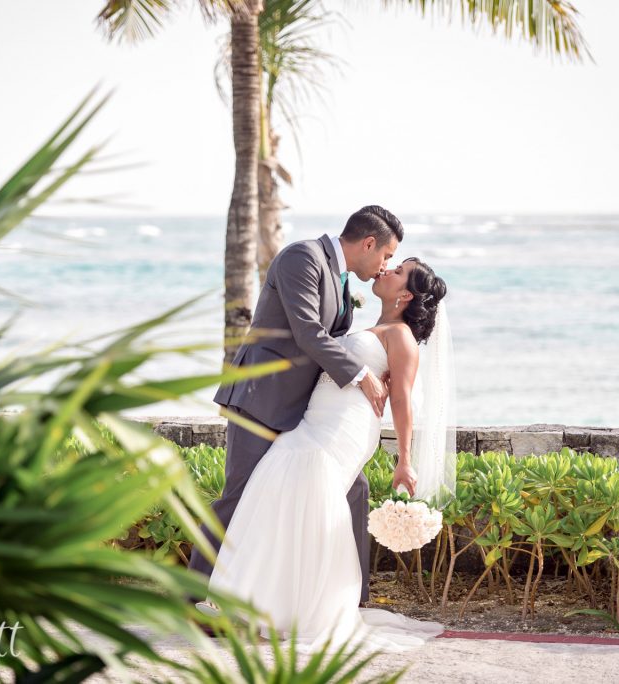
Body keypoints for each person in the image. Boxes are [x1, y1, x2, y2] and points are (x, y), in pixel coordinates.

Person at [199, 257, 453, 653]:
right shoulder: (373, 327)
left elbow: (401, 400)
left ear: (406, 295)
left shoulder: (401, 337)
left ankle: (306, 611)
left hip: (344, 428)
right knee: (277, 492)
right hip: (316, 419)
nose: (386, 270)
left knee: (302, 490)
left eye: (398, 270)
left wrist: (405, 458)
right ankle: (263, 605)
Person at [188, 205, 405, 607]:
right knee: (237, 497)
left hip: (303, 414)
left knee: (353, 489)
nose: (384, 265)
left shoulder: (340, 279)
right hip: (261, 400)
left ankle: (350, 599)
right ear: (369, 243)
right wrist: (362, 374)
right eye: (386, 256)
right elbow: (308, 332)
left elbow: (334, 340)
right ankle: (191, 597)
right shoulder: (302, 258)